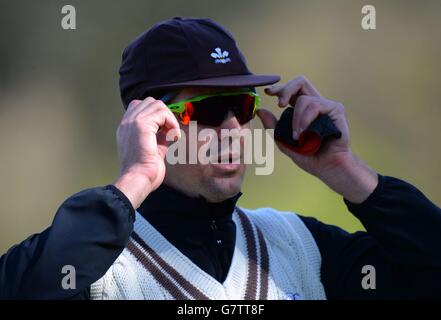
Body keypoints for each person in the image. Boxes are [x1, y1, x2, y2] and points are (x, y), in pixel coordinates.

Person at [1, 17, 440, 300]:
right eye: (212, 109)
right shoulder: (95, 268)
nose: (233, 128)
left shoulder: (299, 246)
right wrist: (133, 180)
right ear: (151, 124)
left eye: (243, 107)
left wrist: (350, 174)